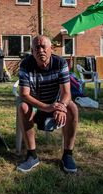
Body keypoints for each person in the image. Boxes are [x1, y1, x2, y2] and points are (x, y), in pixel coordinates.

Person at [17, 35, 79, 173]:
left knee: (73, 108)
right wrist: (46, 107)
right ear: (32, 52)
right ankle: (32, 155)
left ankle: (68, 155)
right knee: (23, 107)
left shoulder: (60, 63)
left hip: (55, 103)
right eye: (36, 48)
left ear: (51, 49)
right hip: (36, 105)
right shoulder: (26, 64)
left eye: (44, 47)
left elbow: (66, 92)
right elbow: (24, 94)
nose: (41, 51)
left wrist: (61, 107)